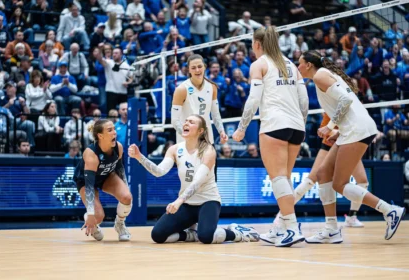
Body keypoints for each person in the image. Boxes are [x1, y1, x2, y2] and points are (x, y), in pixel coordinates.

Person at [297, 50, 406, 243]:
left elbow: (346, 100)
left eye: (300, 63)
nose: (298, 68)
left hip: (357, 130)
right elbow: (349, 104)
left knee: (339, 184)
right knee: (323, 174)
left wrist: (329, 127)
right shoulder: (323, 75)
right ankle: (331, 229)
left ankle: (389, 211)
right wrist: (338, 131)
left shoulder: (320, 74)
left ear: (308, 65)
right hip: (351, 129)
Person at [232, 26, 309, 247]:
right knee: (284, 179)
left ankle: (293, 228)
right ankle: (280, 227)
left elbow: (253, 100)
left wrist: (241, 128)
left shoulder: (260, 64)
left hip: (274, 125)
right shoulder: (292, 65)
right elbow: (304, 100)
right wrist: (300, 123)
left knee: (278, 179)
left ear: (257, 44)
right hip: (296, 127)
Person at [129, 114, 259, 244]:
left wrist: (178, 201)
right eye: (185, 121)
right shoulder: (175, 149)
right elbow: (159, 172)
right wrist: (139, 157)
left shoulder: (208, 150)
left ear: (200, 131)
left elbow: (197, 182)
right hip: (187, 204)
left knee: (206, 237)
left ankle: (237, 233)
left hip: (208, 201)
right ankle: (190, 235)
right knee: (157, 235)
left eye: (191, 122)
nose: (186, 123)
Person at [74, 119, 133, 241]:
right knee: (98, 216)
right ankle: (93, 222)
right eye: (110, 130)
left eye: (114, 129)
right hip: (86, 182)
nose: (114, 133)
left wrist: (125, 187)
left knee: (127, 197)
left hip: (106, 176)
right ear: (100, 135)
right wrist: (90, 215)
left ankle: (120, 224)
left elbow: (120, 169)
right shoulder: (91, 154)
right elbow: (90, 186)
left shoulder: (118, 147)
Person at [172, 54, 228, 146]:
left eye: (199, 66)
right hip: (187, 142)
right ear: (189, 70)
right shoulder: (181, 89)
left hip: (207, 139)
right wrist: (186, 134)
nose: (197, 70)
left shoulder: (212, 87)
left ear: (205, 67)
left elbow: (215, 114)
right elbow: (174, 120)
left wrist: (221, 131)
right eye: (193, 68)